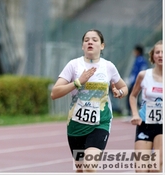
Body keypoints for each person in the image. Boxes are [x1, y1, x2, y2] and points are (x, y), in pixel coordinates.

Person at [51, 29, 128, 172]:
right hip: (76, 125)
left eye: (94, 40)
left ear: (102, 45)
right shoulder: (73, 65)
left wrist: (120, 92)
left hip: (100, 123)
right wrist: (78, 82)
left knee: (90, 167)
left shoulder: (108, 67)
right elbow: (54, 93)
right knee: (80, 170)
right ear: (82, 46)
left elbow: (123, 86)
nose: (90, 42)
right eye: (86, 40)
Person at [129, 40, 162, 173]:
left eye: (163, 52)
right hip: (145, 123)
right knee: (141, 169)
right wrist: (135, 114)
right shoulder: (144, 75)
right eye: (158, 52)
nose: (160, 55)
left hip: (162, 126)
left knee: (156, 166)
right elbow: (132, 96)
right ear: (153, 56)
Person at [127, 44, 149, 115]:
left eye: (135, 51)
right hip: (136, 81)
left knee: (132, 96)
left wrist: (132, 80)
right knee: (135, 97)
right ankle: (134, 111)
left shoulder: (140, 60)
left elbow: (137, 72)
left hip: (137, 82)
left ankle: (132, 112)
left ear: (138, 51)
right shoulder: (140, 60)